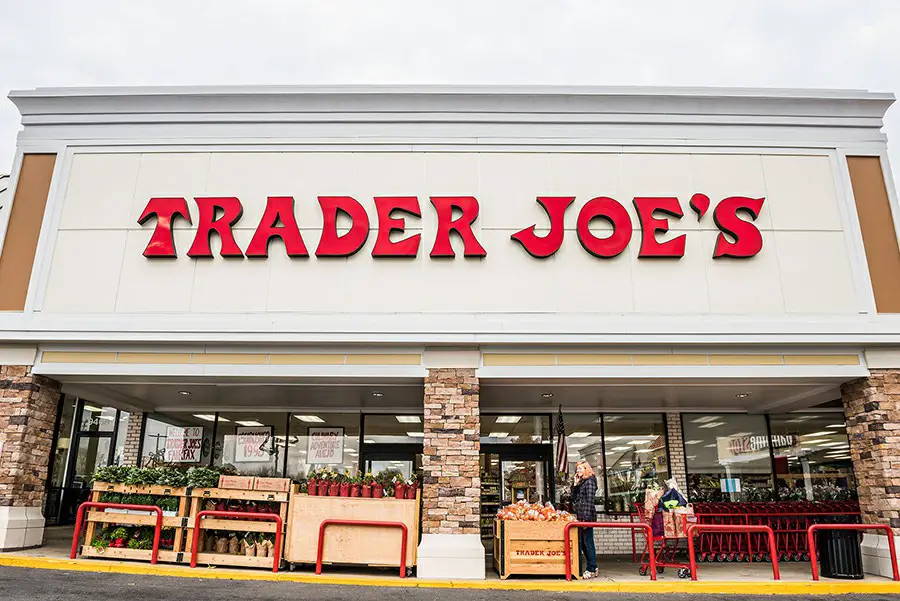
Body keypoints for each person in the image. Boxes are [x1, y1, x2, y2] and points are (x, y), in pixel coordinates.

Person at [572, 460, 598, 579]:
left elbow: (590, 501)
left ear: (586, 469)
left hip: (586, 517)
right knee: (583, 543)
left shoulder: (590, 482)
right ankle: (593, 567)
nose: (578, 471)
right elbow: (574, 498)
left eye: (580, 469)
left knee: (588, 543)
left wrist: (586, 520)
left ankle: (591, 568)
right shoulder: (582, 483)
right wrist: (575, 485)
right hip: (581, 516)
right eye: (577, 469)